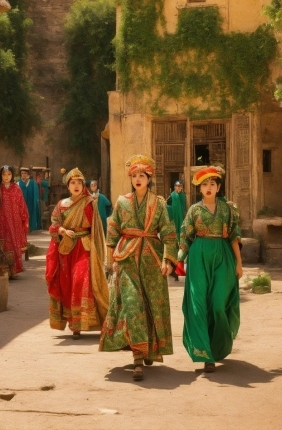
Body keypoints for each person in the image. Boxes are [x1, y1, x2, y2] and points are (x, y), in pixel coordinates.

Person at [100, 155, 178, 381]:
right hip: (127, 258)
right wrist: (111, 259)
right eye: (134, 176)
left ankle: (150, 349)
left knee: (150, 303)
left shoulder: (159, 203)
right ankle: (137, 358)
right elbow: (113, 231)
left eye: (141, 176)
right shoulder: (122, 202)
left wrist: (168, 260)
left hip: (152, 259)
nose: (137, 179)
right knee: (132, 305)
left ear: (149, 178)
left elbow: (169, 233)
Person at [177, 165, 243, 373]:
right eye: (204, 184)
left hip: (223, 256)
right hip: (198, 257)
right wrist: (179, 259)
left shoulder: (227, 210)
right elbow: (186, 236)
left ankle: (218, 346)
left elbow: (233, 236)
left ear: (218, 187)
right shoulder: (194, 210)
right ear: (199, 188)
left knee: (217, 304)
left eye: (212, 184)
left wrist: (239, 263)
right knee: (198, 305)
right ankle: (206, 355)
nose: (208, 187)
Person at [45, 167, 109, 339]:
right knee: (68, 284)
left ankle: (85, 321)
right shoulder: (61, 205)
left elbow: (96, 228)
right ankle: (75, 326)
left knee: (81, 281)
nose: (76, 186)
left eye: (79, 183)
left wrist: (99, 249)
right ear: (68, 186)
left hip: (85, 247)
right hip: (66, 249)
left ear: (83, 185)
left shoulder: (89, 203)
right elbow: (53, 225)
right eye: (73, 183)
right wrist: (63, 230)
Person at [0, 165, 29, 276]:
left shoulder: (16, 188)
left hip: (15, 220)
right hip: (2, 219)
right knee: (2, 242)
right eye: (4, 174)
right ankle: (2, 269)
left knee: (13, 242)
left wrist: (23, 218)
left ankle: (13, 269)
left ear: (12, 175)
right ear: (0, 175)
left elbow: (21, 205)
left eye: (9, 174)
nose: (6, 177)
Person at [166, 180, 187, 281]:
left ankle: (179, 269)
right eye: (177, 186)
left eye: (180, 186)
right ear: (174, 187)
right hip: (173, 225)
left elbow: (184, 208)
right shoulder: (171, 197)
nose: (179, 188)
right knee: (174, 246)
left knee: (182, 246)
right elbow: (167, 209)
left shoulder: (183, 196)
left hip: (182, 223)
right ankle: (174, 270)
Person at [18, 167, 42, 231]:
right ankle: (22, 228)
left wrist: (36, 201)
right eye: (22, 173)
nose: (23, 175)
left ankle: (31, 227)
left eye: (25, 173)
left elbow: (36, 192)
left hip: (31, 201)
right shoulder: (18, 183)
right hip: (22, 202)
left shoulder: (33, 182)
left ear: (28, 174)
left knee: (30, 213)